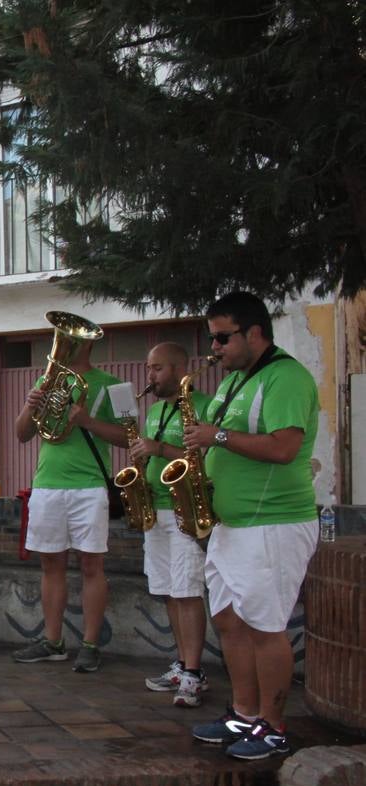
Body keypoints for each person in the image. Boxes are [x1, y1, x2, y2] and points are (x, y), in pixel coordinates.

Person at [184, 291, 319, 761]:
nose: (214, 348)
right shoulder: (233, 382)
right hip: (231, 525)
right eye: (212, 338)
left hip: (273, 524)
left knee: (265, 626)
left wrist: (215, 435)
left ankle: (274, 725)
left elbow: (283, 447)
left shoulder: (286, 378)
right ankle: (243, 713)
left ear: (254, 333)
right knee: (228, 618)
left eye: (222, 338)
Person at [12, 329, 126, 672]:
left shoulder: (114, 384)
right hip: (47, 484)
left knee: (92, 565)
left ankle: (90, 644)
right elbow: (22, 434)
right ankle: (53, 641)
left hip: (89, 486)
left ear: (88, 343)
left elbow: (130, 436)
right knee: (51, 565)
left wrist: (88, 421)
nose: (61, 344)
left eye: (70, 338)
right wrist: (30, 407)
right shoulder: (44, 381)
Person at [128, 343, 213, 707]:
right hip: (156, 510)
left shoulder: (206, 406)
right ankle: (181, 662)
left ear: (181, 367)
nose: (150, 376)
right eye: (149, 369)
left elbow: (204, 459)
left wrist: (158, 449)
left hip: (186, 510)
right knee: (167, 589)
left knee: (188, 590)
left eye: (158, 369)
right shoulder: (156, 410)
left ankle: (194, 673)